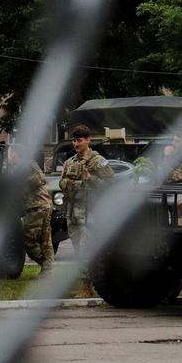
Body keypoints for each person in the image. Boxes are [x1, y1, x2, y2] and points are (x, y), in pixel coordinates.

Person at [59, 124, 113, 296]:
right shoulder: (70, 161)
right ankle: (86, 281)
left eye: (79, 140)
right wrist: (77, 184)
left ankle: (87, 285)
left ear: (88, 140)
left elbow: (110, 184)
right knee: (77, 249)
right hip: (73, 212)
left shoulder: (98, 161)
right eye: (74, 140)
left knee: (86, 249)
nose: (76, 144)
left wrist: (90, 179)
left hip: (90, 213)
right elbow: (61, 183)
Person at [11, 145, 54, 277]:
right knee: (45, 240)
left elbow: (40, 179)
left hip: (38, 206)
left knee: (27, 238)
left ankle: (46, 265)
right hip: (39, 206)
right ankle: (48, 270)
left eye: (10, 153)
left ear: (15, 154)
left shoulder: (28, 164)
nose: (9, 156)